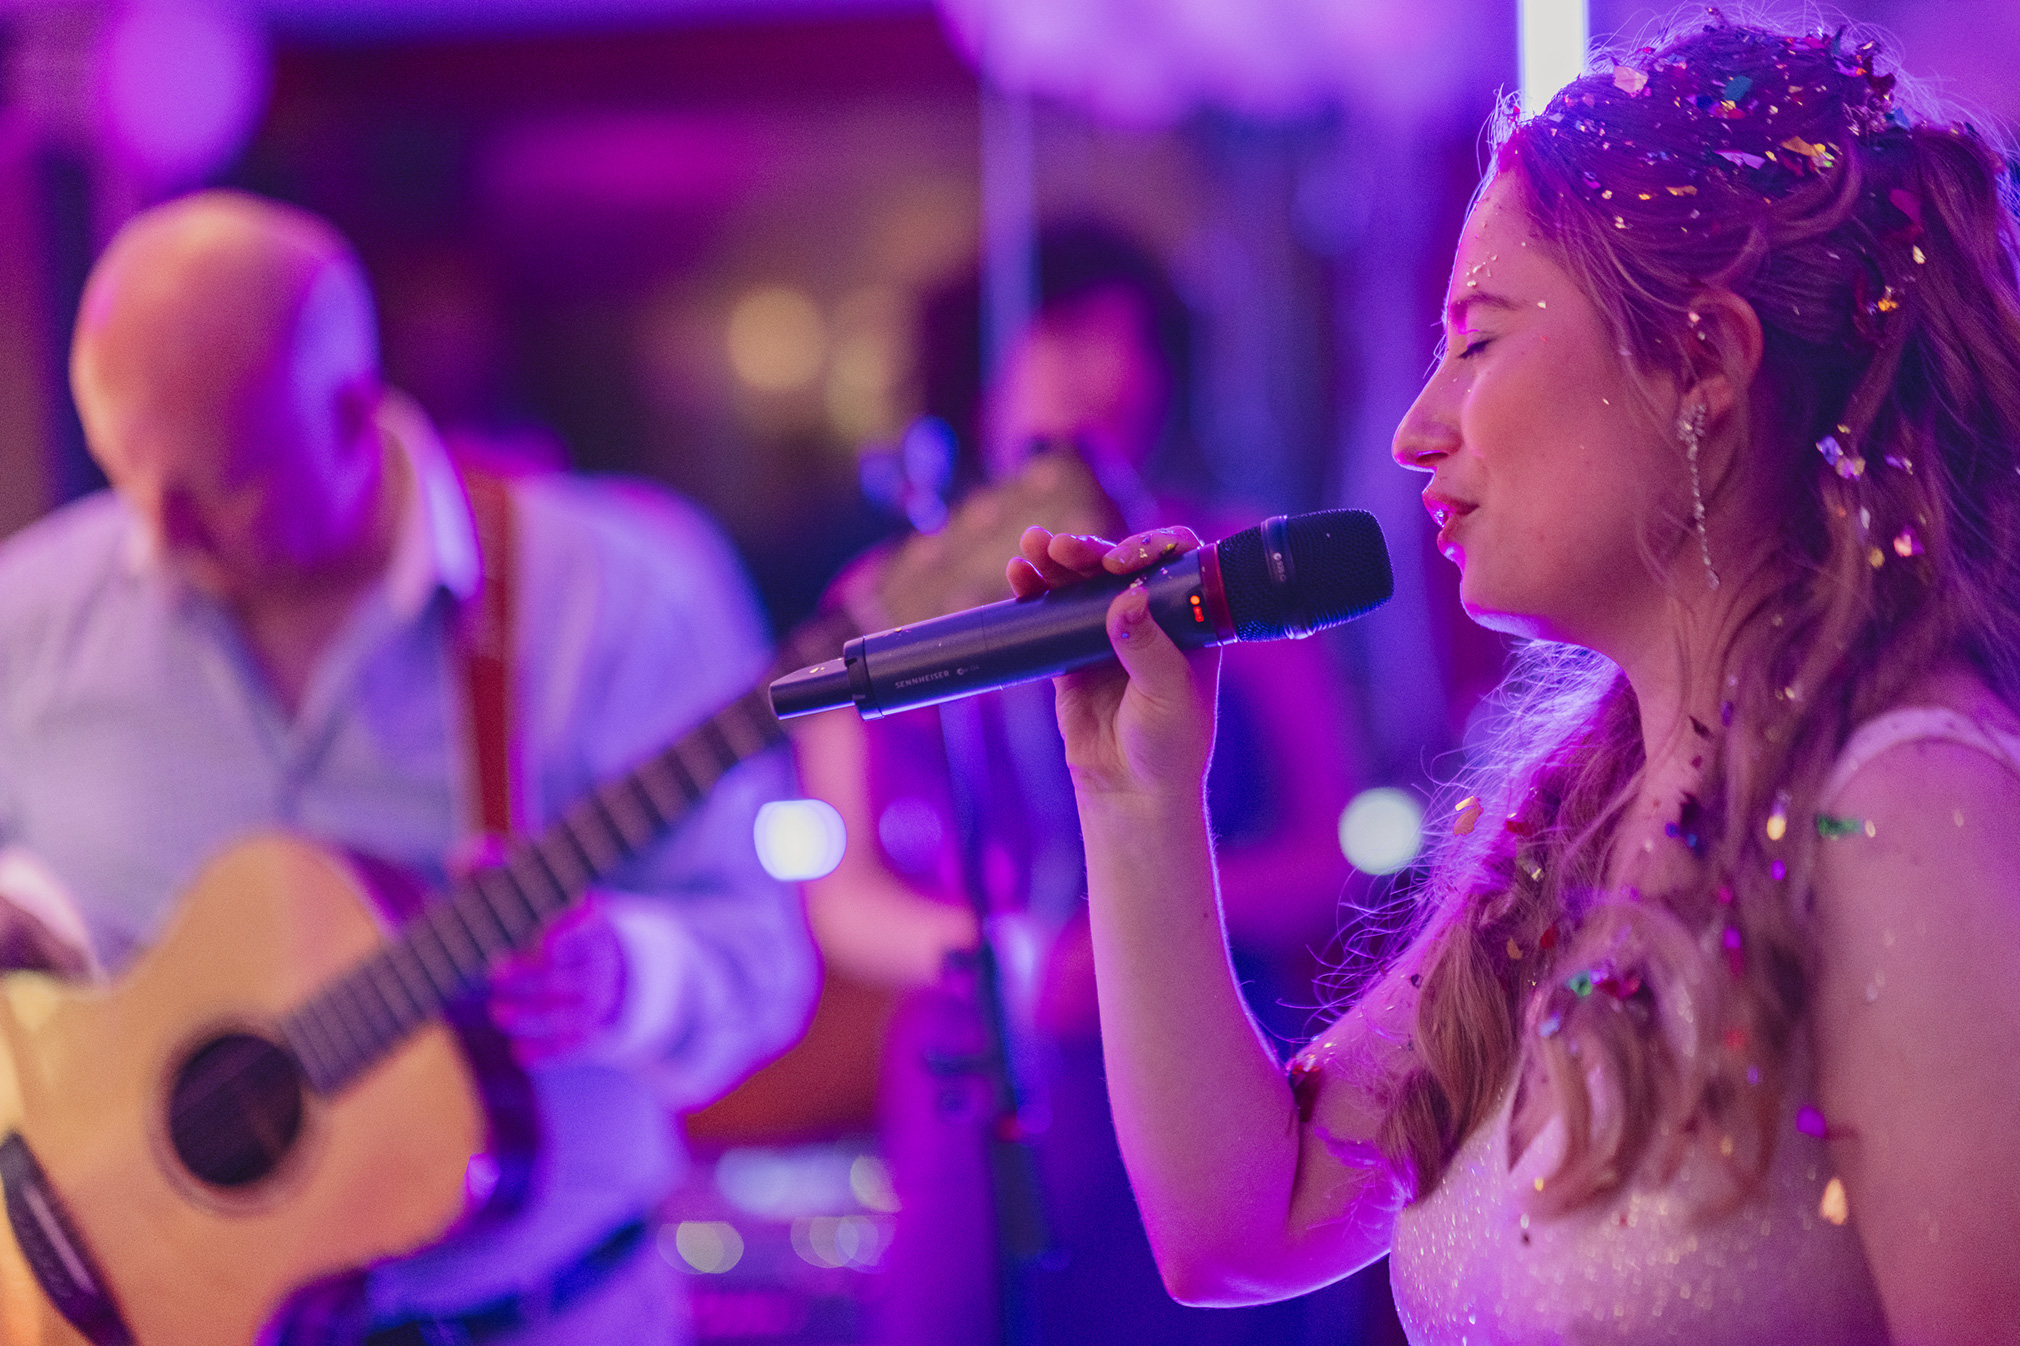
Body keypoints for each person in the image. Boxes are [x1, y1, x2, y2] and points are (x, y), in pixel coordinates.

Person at [1007, 19, 2020, 1345]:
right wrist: (1138, 796)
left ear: (1703, 364)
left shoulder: (1909, 808)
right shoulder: (1575, 822)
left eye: (1477, 342)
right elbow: (1244, 1223)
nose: (1417, 429)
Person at [0, 190, 816, 1343]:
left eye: (214, 486)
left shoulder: (621, 594)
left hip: (544, 1315)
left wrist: (623, 974)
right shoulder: (30, 614)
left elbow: (764, 963)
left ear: (345, 412)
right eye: (126, 474)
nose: (158, 535)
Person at [794, 222, 1382, 1344]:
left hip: (1211, 1037)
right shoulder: (878, 597)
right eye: (1070, 335)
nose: (1115, 373)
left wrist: (1135, 924)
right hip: (982, 1059)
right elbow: (845, 893)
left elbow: (1325, 847)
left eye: (1138, 343)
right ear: (981, 360)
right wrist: (1010, 953)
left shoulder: (1225, 570)